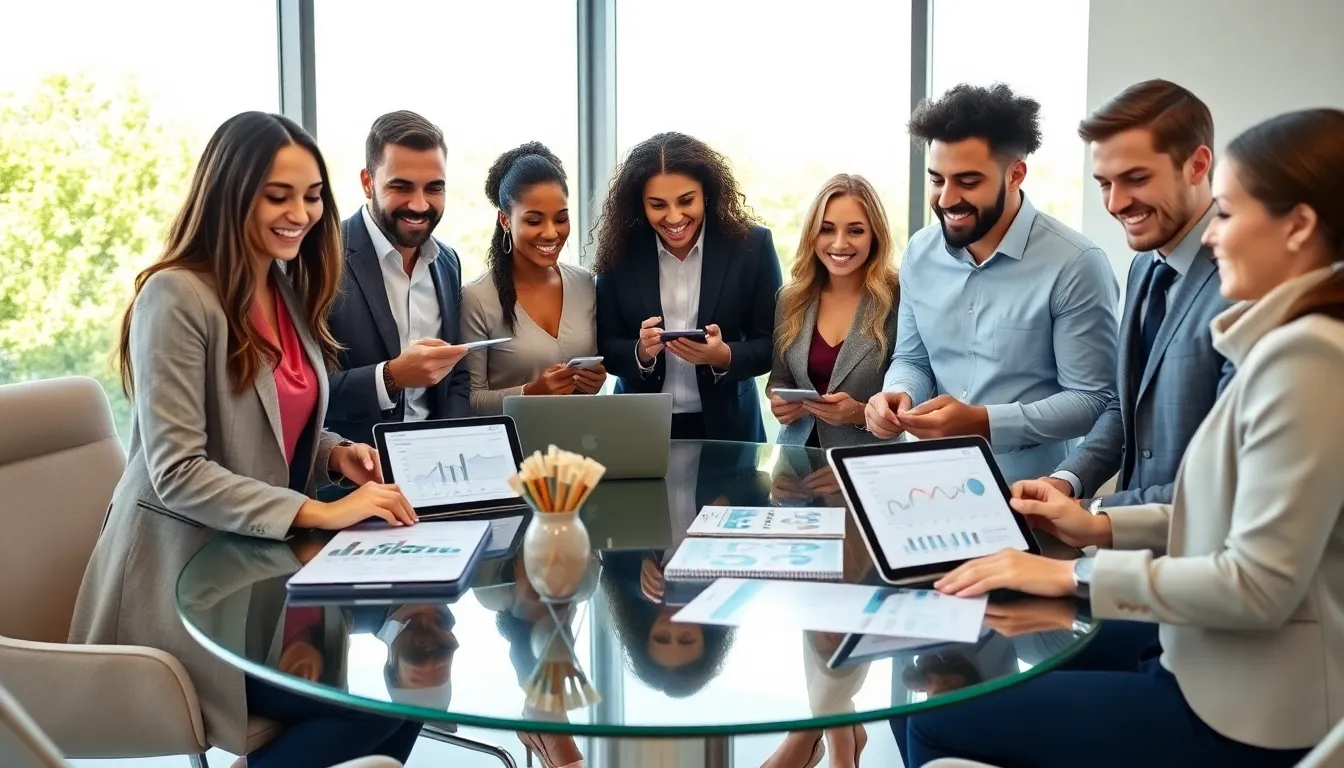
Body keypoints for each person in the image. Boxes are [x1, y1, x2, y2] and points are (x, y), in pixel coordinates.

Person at [907, 108, 1344, 768]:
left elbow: (1256, 586)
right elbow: (1227, 516)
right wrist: (1096, 528)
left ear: (1300, 226)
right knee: (999, 609)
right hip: (1196, 646)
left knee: (935, 719)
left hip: (1244, 706)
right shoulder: (1288, 344)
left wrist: (1075, 570)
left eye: (1226, 213)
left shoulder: (1308, 359)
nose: (1213, 237)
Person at [67, 112, 422, 768]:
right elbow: (178, 469)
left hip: (261, 580)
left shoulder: (281, 285)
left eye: (313, 195)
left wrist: (332, 452)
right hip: (183, 591)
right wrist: (319, 510)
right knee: (381, 707)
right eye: (277, 195)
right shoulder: (175, 297)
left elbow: (270, 420)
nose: (302, 213)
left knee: (403, 688)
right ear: (230, 192)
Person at [865, 83, 1120, 483]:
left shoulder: (1075, 264)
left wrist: (985, 422)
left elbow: (1093, 399)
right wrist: (898, 393)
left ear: (1015, 174)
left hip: (1032, 490)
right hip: (927, 480)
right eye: (937, 179)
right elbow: (913, 359)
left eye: (968, 182)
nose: (946, 199)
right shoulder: (920, 251)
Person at [1040, 79, 1235, 515]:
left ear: (1198, 165)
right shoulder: (1144, 266)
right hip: (1135, 558)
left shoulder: (1245, 278)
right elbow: (1127, 404)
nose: (1115, 203)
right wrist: (1067, 481)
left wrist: (1097, 514)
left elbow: (1232, 471)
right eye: (1104, 183)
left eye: (1136, 179)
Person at [594, 131, 782, 441]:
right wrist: (640, 351)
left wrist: (723, 356)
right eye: (657, 205)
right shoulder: (621, 251)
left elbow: (770, 345)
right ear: (639, 203)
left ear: (706, 193)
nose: (674, 217)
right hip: (638, 430)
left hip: (729, 430)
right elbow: (605, 345)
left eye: (686, 201)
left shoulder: (752, 246)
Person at [324, 110, 471, 454]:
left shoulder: (447, 262)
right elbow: (297, 394)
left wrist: (453, 449)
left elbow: (456, 377)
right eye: (401, 187)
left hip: (438, 470)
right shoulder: (321, 259)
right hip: (351, 479)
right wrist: (389, 377)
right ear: (367, 182)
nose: (420, 204)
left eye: (434, 188)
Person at [460, 142, 604, 414]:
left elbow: (589, 375)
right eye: (534, 221)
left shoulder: (585, 283)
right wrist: (531, 393)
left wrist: (593, 382)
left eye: (561, 219)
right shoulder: (478, 297)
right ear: (505, 220)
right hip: (514, 449)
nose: (551, 233)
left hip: (580, 442)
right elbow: (471, 400)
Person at [767, 173, 900, 448]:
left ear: (875, 235)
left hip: (869, 466)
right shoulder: (791, 298)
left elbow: (917, 391)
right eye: (827, 229)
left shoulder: (898, 299)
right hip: (797, 464)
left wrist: (859, 413)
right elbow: (780, 377)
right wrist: (780, 402)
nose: (839, 244)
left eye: (855, 230)